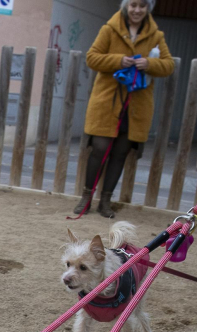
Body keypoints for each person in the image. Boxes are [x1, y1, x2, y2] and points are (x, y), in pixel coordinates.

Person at [75, 0, 174, 218]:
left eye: (142, 5)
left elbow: (168, 65)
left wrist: (149, 64)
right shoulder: (109, 29)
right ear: (126, 6)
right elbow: (92, 58)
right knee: (99, 148)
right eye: (133, 5)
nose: (137, 10)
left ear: (148, 8)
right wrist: (119, 60)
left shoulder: (156, 36)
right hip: (107, 103)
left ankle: (106, 202)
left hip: (136, 106)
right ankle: (86, 198)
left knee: (120, 153)